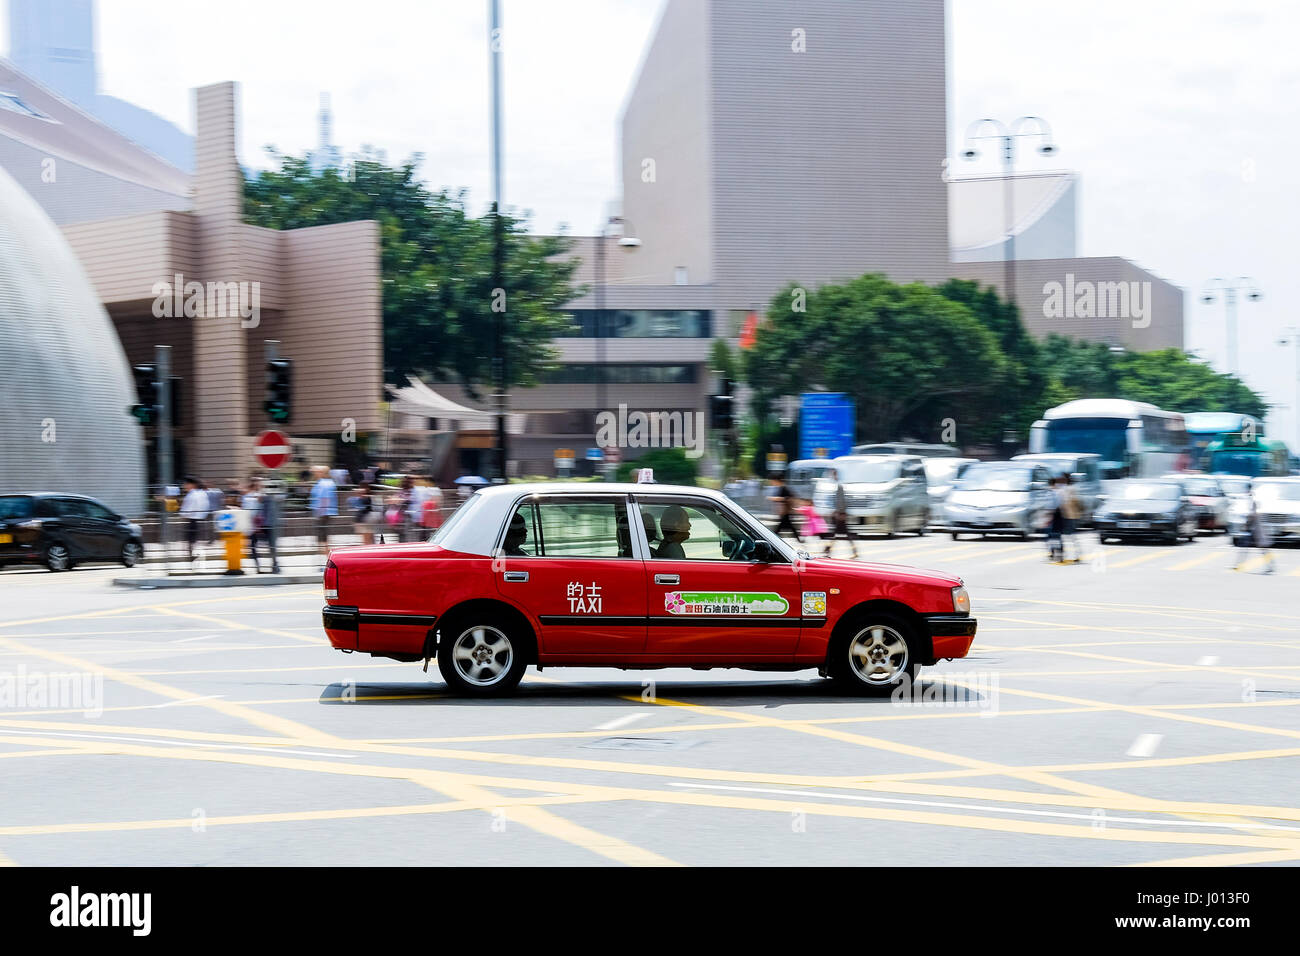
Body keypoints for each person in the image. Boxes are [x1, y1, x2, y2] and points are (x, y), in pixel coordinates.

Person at [823, 469, 859, 559]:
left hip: (840, 515)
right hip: (839, 514)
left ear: (835, 475)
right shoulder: (837, 485)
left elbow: (841, 501)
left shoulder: (839, 486)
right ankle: (828, 550)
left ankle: (828, 551)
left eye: (832, 474)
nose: (831, 476)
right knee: (840, 534)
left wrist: (841, 512)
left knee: (836, 534)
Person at [1233, 496, 1275, 573]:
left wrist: (1244, 527)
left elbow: (1248, 523)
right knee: (1263, 551)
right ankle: (1270, 566)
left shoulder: (1253, 514)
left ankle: (1238, 565)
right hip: (1258, 535)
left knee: (1244, 550)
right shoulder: (1259, 514)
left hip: (1256, 535)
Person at [308, 465, 338, 568]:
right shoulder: (324, 482)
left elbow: (325, 499)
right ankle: (327, 562)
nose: (315, 473)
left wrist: (319, 515)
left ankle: (328, 563)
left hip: (323, 514)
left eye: (317, 472)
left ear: (322, 473)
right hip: (324, 513)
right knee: (323, 540)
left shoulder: (324, 483)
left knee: (323, 540)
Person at [242, 477, 273, 573]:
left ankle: (260, 566)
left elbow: (247, 512)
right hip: (258, 525)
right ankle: (262, 566)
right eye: (259, 484)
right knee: (258, 546)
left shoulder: (250, 497)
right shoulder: (252, 497)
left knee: (254, 546)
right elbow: (249, 512)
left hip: (258, 525)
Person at [180, 476, 208, 564]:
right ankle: (194, 556)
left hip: (192, 519)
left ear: (192, 485)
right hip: (201, 519)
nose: (184, 486)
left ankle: (193, 556)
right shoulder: (202, 493)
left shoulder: (191, 495)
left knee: (191, 539)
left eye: (186, 484)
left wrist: (183, 514)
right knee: (194, 539)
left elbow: (187, 509)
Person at [768, 477, 803, 543]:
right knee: (788, 527)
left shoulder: (784, 488)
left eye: (773, 481)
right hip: (785, 512)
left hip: (786, 511)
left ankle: (773, 539)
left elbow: (787, 498)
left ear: (777, 481)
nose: (773, 483)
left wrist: (776, 499)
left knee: (780, 527)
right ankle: (799, 540)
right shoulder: (782, 488)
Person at [1058, 473, 1082, 563]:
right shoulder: (1064, 489)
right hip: (1065, 516)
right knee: (1067, 537)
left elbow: (1073, 501)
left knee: (1070, 537)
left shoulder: (1070, 489)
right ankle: (1068, 555)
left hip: (1069, 516)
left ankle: (1075, 554)